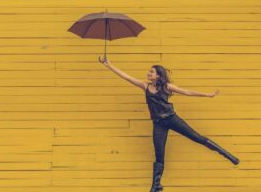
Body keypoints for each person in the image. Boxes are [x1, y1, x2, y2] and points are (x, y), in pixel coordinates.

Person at [98, 55, 240, 192]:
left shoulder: (167, 86)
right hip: (158, 124)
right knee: (159, 154)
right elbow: (126, 76)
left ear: (158, 75)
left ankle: (228, 155)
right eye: (149, 71)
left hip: (172, 119)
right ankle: (156, 186)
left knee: (197, 137)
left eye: (152, 72)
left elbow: (186, 92)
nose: (149, 73)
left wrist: (207, 95)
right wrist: (108, 64)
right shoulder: (145, 86)